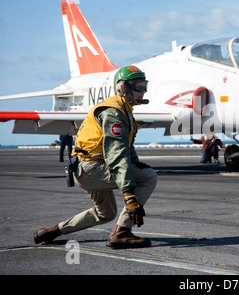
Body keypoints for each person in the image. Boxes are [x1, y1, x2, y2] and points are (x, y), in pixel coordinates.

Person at [34, 65, 158, 249]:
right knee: (148, 176)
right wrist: (130, 197)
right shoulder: (114, 113)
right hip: (91, 168)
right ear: (124, 88)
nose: (143, 91)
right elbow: (117, 155)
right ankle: (121, 232)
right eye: (139, 87)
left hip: (87, 167)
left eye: (144, 86)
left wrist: (137, 163)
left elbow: (127, 148)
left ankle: (54, 231)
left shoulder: (124, 111)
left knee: (106, 213)